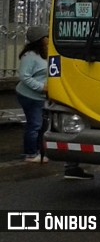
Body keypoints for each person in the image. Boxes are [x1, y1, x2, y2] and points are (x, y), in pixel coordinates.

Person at [16, 25, 49, 163]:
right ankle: (30, 154)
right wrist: (42, 87)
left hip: (40, 96)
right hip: (29, 96)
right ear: (40, 40)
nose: (48, 39)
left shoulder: (44, 53)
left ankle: (38, 151)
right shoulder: (29, 56)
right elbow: (25, 76)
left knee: (41, 125)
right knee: (34, 125)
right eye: (46, 37)